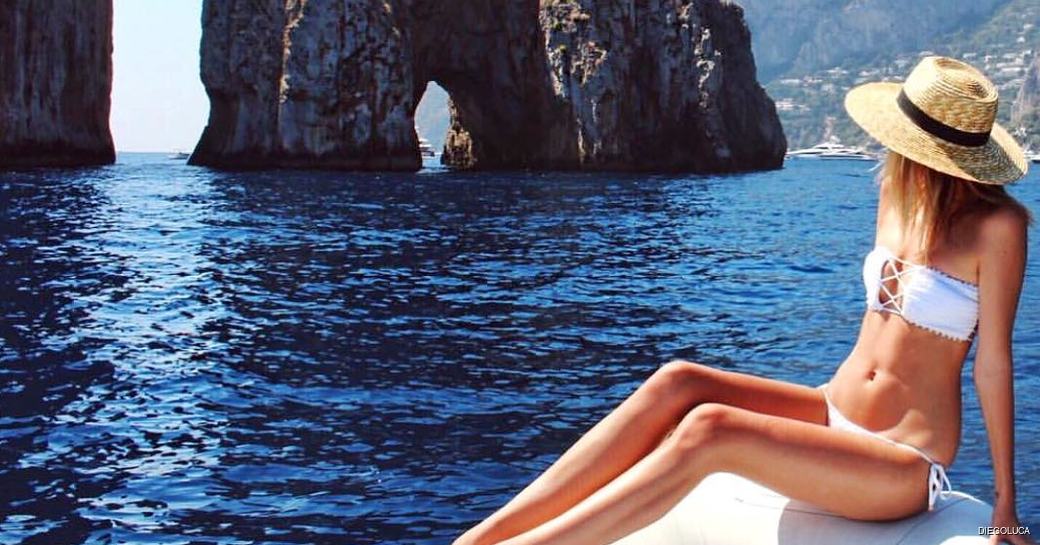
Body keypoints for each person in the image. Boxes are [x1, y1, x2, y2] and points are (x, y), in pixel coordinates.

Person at [452, 56, 1035, 545]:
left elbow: (993, 363)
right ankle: (481, 537)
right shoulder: (895, 192)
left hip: (904, 461)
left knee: (711, 428)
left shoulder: (999, 226)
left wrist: (1004, 507)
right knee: (678, 380)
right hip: (833, 410)